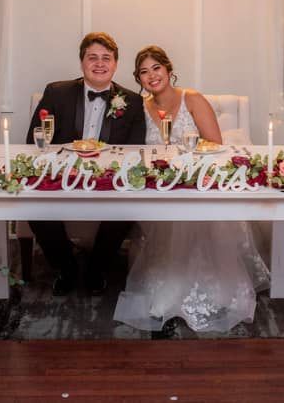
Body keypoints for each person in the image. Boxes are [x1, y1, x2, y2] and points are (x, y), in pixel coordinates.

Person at [113, 45, 271, 332]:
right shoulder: (139, 107)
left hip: (196, 179)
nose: (151, 76)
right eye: (144, 72)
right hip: (160, 186)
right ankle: (168, 290)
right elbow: (135, 150)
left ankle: (211, 290)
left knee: (194, 225)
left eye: (156, 68)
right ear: (139, 78)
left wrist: (184, 159)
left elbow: (215, 144)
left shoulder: (192, 99)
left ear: (169, 70)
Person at [26, 32, 146, 295]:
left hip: (109, 177)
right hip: (61, 174)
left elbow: (136, 148)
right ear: (82, 62)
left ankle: (96, 269)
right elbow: (34, 139)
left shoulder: (133, 102)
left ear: (115, 64)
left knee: (127, 207)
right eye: (93, 57)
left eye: (106, 58)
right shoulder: (56, 92)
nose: (99, 63)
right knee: (34, 207)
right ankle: (66, 268)